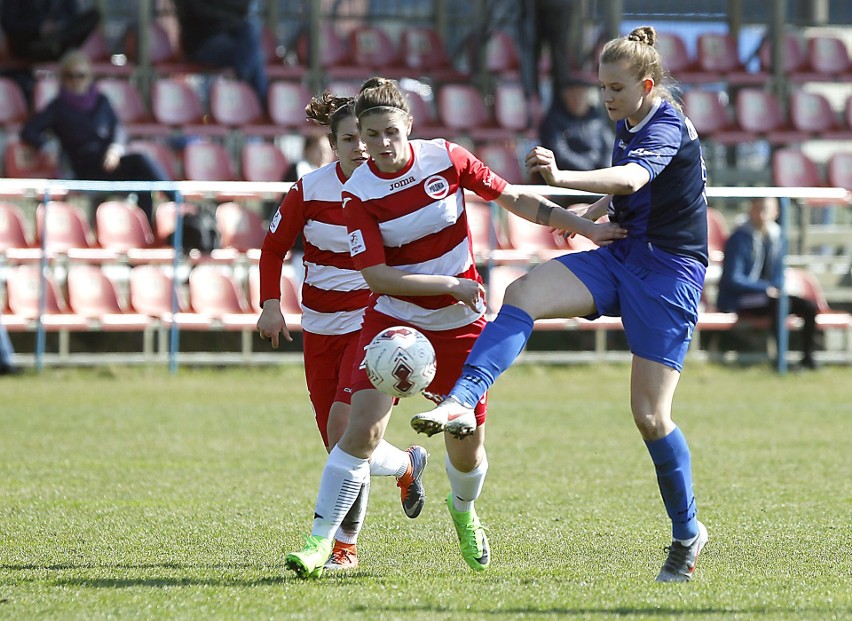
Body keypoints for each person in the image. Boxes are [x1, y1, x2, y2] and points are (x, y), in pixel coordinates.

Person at [283, 76, 626, 579]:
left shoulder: (445, 157)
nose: (381, 144)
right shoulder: (356, 193)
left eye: (391, 133)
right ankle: (320, 543)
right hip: (393, 320)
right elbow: (376, 277)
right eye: (371, 134)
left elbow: (515, 200)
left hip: (459, 324)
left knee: (467, 450)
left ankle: (464, 513)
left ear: (410, 128)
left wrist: (588, 227)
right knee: (358, 434)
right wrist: (447, 283)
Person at [412, 26, 711, 583]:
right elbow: (635, 188)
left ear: (647, 85)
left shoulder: (666, 122)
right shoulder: (631, 116)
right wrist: (595, 214)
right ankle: (462, 398)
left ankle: (687, 532)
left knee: (650, 417)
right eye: (601, 87)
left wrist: (563, 179)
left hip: (670, 272)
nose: (606, 98)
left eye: (616, 88)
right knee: (522, 292)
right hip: (623, 253)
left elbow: (634, 175)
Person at [256, 91, 429, 572]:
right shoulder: (308, 189)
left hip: (374, 322)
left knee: (345, 431)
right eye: (349, 138)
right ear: (333, 145)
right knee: (341, 447)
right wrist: (271, 304)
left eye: (365, 137)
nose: (360, 146)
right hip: (320, 327)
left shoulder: (395, 187)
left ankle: (343, 548)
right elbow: (272, 250)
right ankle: (406, 464)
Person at [19, 50, 179, 224]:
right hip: (84, 167)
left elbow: (118, 128)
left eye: (80, 75)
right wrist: (46, 146)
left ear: (89, 77)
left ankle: (147, 226)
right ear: (62, 78)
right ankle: (178, 200)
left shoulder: (101, 101)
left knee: (141, 171)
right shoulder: (58, 107)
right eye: (69, 76)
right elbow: (29, 130)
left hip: (108, 162)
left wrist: (115, 149)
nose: (75, 81)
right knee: (140, 163)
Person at [716, 197, 819, 370]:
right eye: (758, 208)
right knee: (778, 304)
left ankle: (808, 358)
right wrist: (766, 288)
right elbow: (733, 279)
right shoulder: (739, 239)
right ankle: (781, 361)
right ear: (751, 210)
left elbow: (778, 276)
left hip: (768, 297)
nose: (763, 214)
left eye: (767, 209)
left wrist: (774, 288)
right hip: (740, 299)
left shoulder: (777, 237)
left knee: (808, 307)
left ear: (776, 212)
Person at [173, 0, 269, 107]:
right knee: (254, 56)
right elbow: (200, 14)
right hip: (202, 43)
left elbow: (242, 7)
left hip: (229, 38)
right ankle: (250, 96)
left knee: (251, 31)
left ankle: (244, 88)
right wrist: (227, 17)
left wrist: (224, 15)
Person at [539, 75, 614, 174]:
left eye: (581, 96)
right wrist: (589, 170)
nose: (577, 101)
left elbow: (609, 146)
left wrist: (605, 170)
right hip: (570, 176)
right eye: (573, 96)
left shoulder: (596, 118)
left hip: (600, 173)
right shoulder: (554, 120)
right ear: (565, 97)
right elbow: (560, 153)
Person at [0, 0, 100, 63]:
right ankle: (55, 44)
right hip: (31, 44)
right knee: (50, 45)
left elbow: (74, 20)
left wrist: (58, 26)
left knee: (93, 15)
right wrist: (39, 28)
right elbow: (9, 23)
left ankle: (57, 43)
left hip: (60, 38)